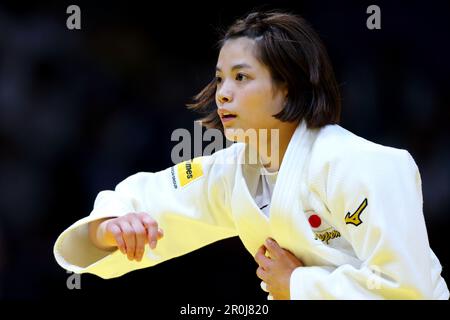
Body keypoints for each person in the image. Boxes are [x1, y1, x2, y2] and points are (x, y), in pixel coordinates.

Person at [53, 10, 449, 300]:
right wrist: (107, 229)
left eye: (241, 77)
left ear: (289, 87)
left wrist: (297, 285)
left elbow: (407, 289)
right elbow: (151, 199)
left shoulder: (366, 165)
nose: (223, 92)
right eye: (220, 78)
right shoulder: (233, 173)